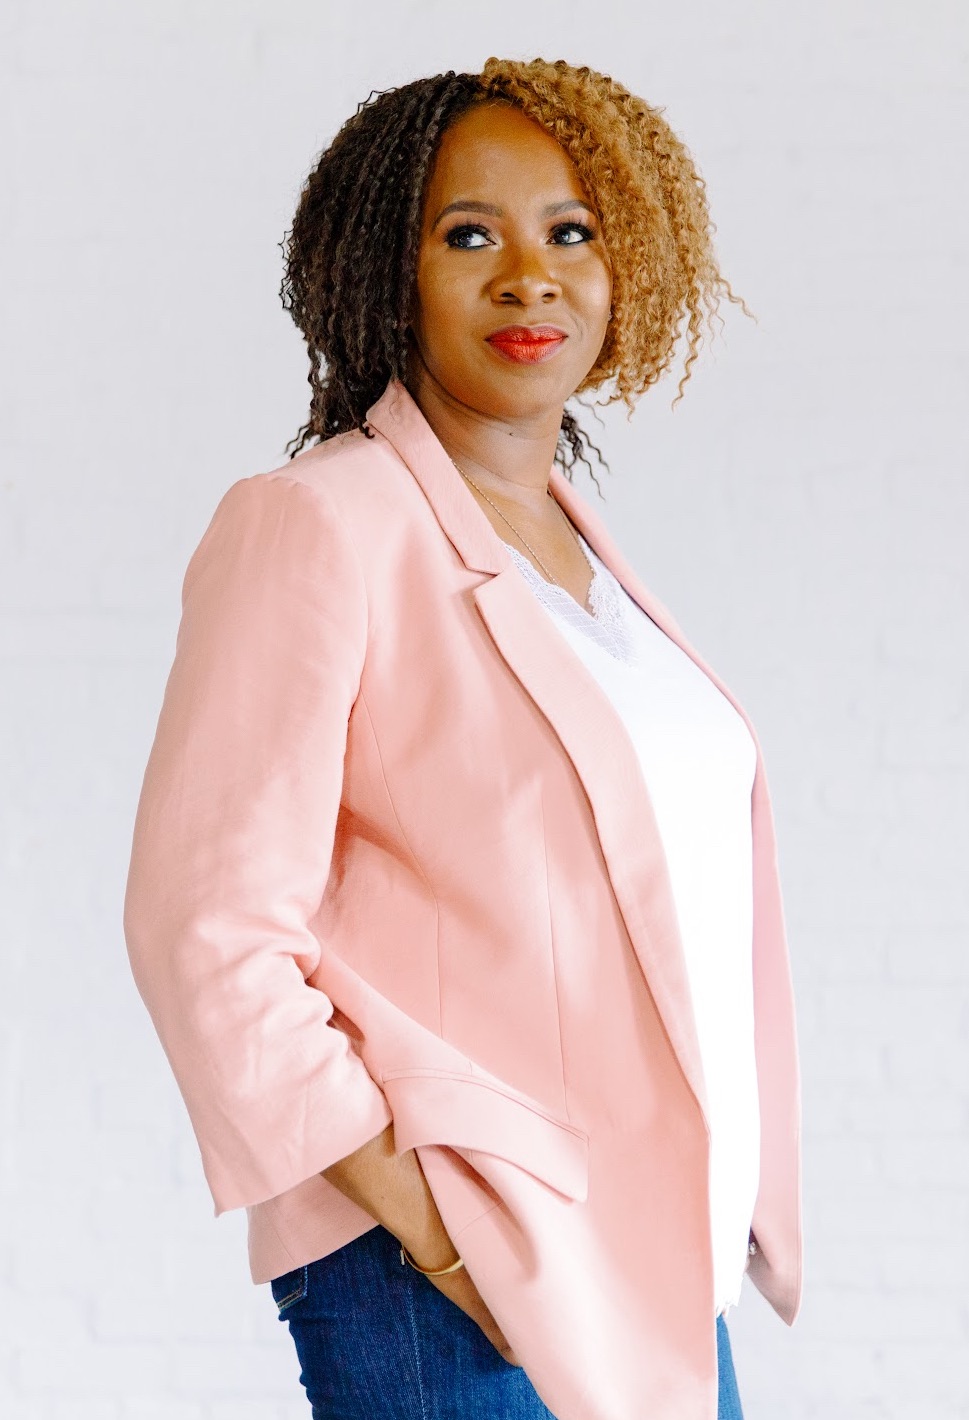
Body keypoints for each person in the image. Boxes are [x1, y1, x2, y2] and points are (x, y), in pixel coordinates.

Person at [123, 56, 802, 1420]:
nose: (529, 277)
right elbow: (206, 929)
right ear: (388, 269)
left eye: (572, 231)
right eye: (469, 235)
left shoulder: (585, 563)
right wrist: (434, 1231)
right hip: (452, 1270)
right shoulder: (319, 523)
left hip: (649, 1261)